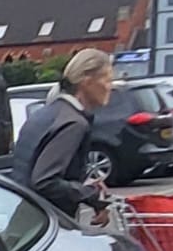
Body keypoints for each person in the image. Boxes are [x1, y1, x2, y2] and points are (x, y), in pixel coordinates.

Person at [12, 48, 116, 224]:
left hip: (22, 217)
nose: (110, 87)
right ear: (87, 81)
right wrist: (92, 195)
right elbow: (45, 181)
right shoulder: (73, 123)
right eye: (107, 79)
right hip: (45, 226)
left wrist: (84, 183)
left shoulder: (47, 113)